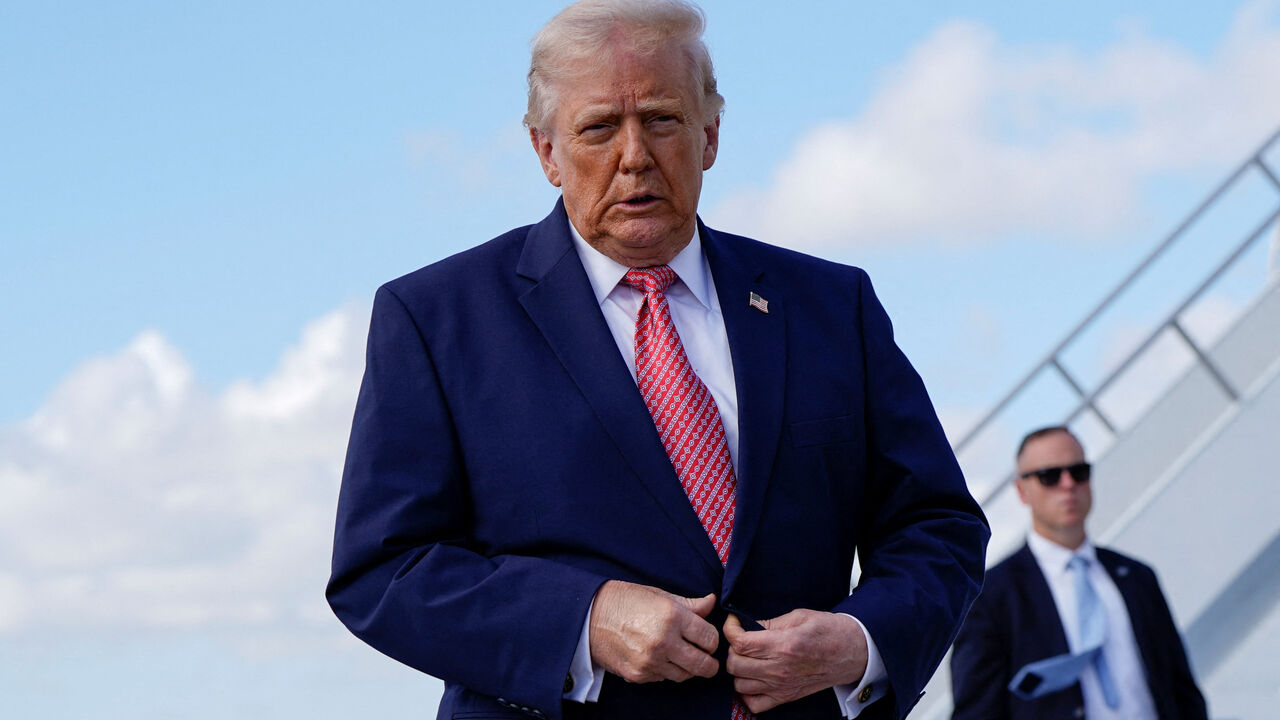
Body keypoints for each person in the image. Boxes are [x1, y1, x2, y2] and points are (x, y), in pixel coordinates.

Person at [326, 1, 988, 718]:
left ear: (709, 134)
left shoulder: (834, 305)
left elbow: (936, 526)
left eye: (662, 120)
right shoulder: (435, 318)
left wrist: (861, 641)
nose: (635, 155)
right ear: (546, 150)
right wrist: (584, 621)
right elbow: (384, 569)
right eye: (600, 127)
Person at [949, 426, 1208, 720]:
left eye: (1079, 471)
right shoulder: (991, 596)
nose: (1068, 484)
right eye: (1050, 476)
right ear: (1022, 490)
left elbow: (1182, 689)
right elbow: (977, 711)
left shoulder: (1137, 578)